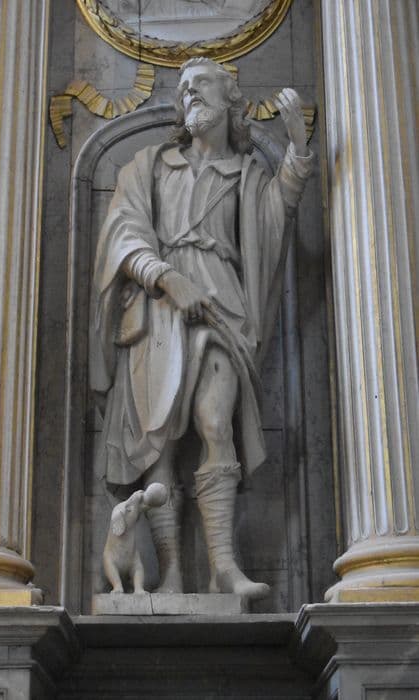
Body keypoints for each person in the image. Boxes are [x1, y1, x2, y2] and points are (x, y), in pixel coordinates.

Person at [90, 58, 313, 599]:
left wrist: (298, 152)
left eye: (201, 84)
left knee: (216, 422)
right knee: (160, 441)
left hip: (222, 306)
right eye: (184, 87)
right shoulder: (150, 165)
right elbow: (121, 233)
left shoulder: (246, 174)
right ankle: (170, 572)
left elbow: (273, 222)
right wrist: (166, 277)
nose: (189, 92)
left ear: (230, 102)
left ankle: (223, 567)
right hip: (157, 309)